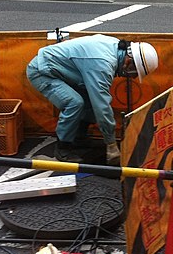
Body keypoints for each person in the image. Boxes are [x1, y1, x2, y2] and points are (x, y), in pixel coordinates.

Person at [26, 34, 159, 165]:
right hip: (42, 71)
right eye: (133, 72)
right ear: (129, 61)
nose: (131, 77)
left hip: (62, 70)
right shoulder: (103, 64)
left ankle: (79, 138)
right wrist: (111, 143)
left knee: (89, 100)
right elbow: (101, 107)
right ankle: (63, 148)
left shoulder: (114, 48)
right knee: (74, 103)